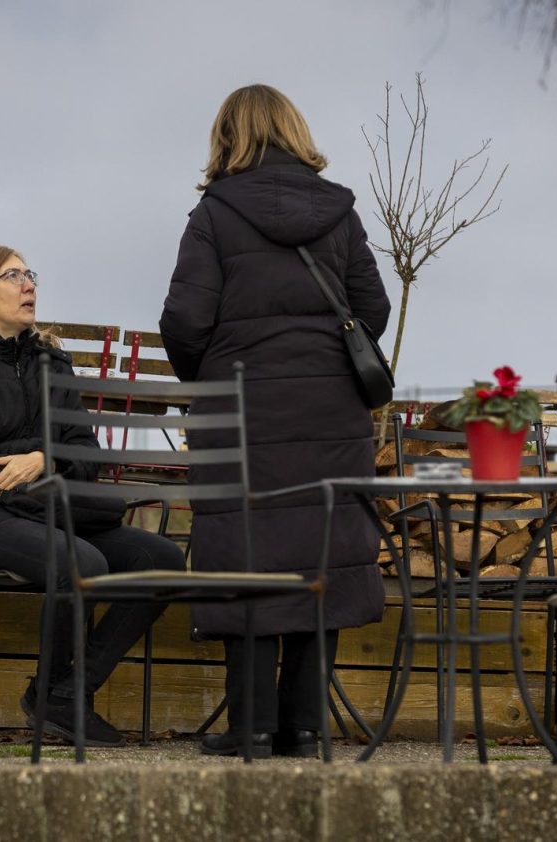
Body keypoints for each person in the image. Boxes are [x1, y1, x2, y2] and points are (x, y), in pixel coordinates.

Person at [160, 84, 392, 758]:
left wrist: (212, 374)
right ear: (294, 131)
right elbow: (373, 310)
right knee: (326, 553)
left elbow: (185, 321)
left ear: (228, 138)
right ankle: (306, 726)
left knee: (247, 552)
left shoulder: (213, 214)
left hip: (241, 414)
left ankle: (253, 726)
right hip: (333, 412)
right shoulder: (340, 212)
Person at [0, 244, 185, 747]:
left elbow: (87, 455)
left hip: (49, 510)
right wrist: (47, 457)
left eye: (30, 275)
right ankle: (57, 697)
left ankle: (64, 693)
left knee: (162, 559)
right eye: (12, 276)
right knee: (79, 561)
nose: (29, 285)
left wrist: (41, 459)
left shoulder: (51, 363)